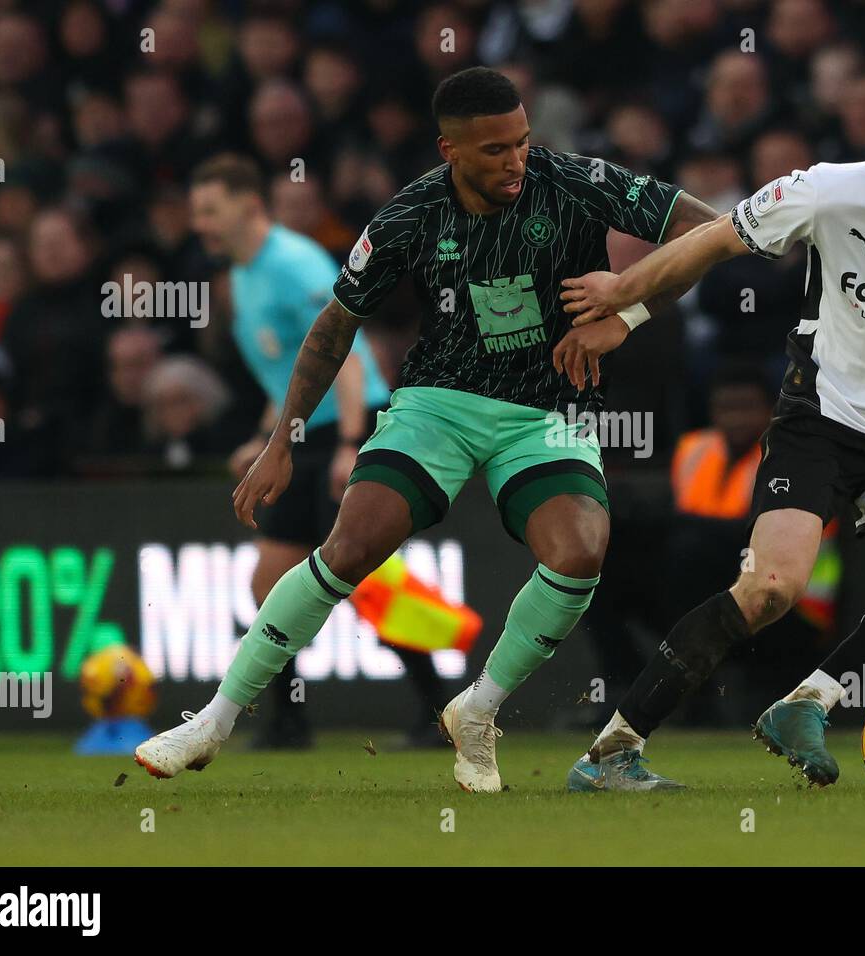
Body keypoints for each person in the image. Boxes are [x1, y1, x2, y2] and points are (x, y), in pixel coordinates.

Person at [134, 67, 717, 792]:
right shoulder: (409, 216)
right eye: (496, 150)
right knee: (350, 545)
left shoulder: (575, 181)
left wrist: (625, 311)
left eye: (523, 143)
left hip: (548, 413)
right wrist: (284, 437)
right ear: (450, 150)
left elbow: (707, 228)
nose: (517, 162)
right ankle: (213, 720)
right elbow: (334, 327)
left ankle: (479, 709)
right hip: (437, 403)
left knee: (579, 553)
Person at [556, 92, 865, 790]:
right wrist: (627, 296)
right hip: (820, 418)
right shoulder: (830, 191)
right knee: (771, 589)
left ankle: (807, 703)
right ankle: (612, 750)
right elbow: (713, 239)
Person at [185, 154, 445, 749]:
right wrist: (265, 439)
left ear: (248, 207)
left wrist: (350, 444)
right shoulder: (243, 275)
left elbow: (346, 357)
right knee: (267, 583)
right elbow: (290, 377)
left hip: (349, 429)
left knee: (363, 575)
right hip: (305, 436)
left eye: (209, 210)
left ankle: (439, 712)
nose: (199, 223)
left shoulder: (292, 263)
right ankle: (289, 721)